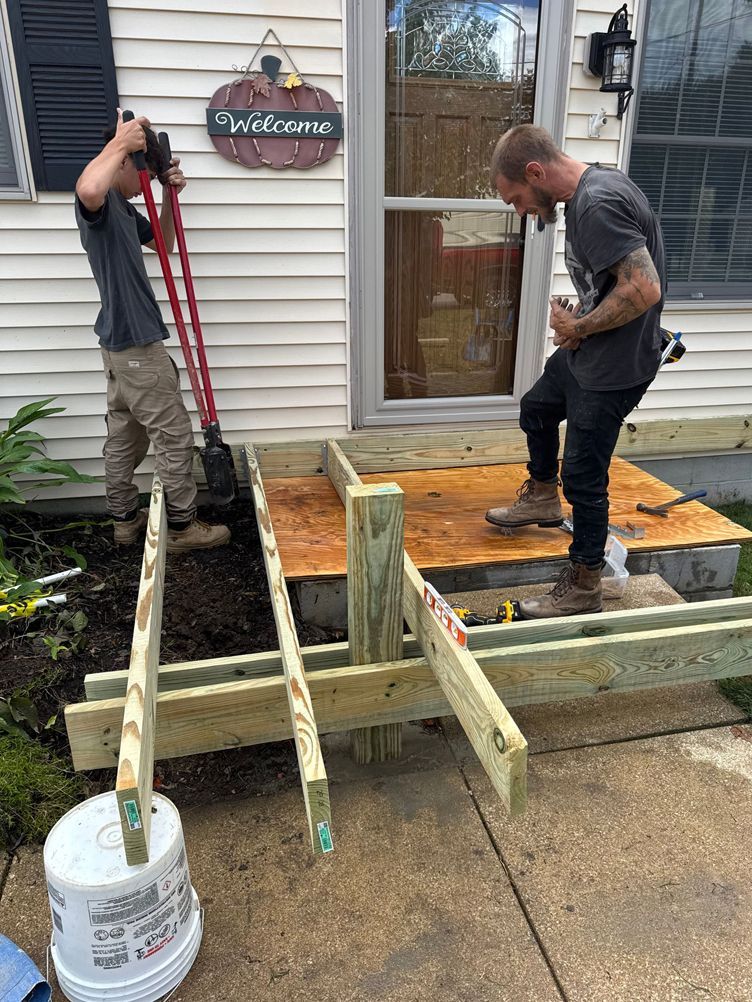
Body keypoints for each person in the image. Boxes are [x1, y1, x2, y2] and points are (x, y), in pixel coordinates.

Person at [485, 125, 665, 618]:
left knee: (584, 477)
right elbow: (618, 283)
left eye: (517, 198)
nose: (520, 210)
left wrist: (580, 326)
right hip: (588, 352)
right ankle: (542, 495)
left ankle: (585, 583)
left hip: (614, 367)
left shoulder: (596, 204)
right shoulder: (593, 190)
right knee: (537, 408)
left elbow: (644, 288)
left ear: (535, 172)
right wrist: (582, 319)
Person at [75, 109, 230, 551]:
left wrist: (165, 192)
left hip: (119, 345)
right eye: (141, 167)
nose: (140, 178)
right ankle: (182, 527)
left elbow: (163, 243)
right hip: (138, 345)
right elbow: (88, 186)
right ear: (126, 160)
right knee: (173, 433)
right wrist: (123, 142)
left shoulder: (122, 207)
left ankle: (125, 519)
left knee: (124, 433)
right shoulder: (99, 202)